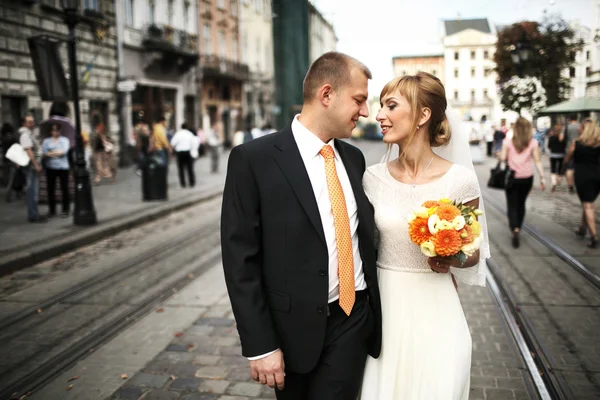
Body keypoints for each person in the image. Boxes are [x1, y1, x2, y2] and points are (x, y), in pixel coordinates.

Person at [221, 51, 382, 399]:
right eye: (359, 99)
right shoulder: (254, 160)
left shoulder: (354, 158)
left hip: (352, 321)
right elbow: (240, 261)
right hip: (290, 332)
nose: (366, 112)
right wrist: (260, 345)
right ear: (327, 95)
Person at [360, 72, 488, 399]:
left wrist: (449, 249)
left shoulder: (460, 181)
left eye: (390, 106)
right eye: (380, 106)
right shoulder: (371, 178)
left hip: (438, 312)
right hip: (385, 314)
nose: (379, 116)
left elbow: (474, 253)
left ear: (423, 115)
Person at [500, 117, 545, 248]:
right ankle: (519, 225)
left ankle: (515, 229)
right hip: (527, 178)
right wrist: (542, 177)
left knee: (512, 204)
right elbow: (537, 161)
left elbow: (503, 159)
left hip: (512, 178)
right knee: (521, 203)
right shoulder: (533, 143)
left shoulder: (507, 142)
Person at [563, 122, 600, 248]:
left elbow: (567, 158)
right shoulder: (598, 144)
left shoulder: (577, 144)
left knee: (588, 205)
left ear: (584, 130)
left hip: (583, 176)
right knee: (588, 202)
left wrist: (564, 166)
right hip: (597, 176)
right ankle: (582, 229)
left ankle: (594, 236)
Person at [19, 114, 46, 222]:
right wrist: (36, 165)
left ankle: (35, 214)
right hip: (30, 167)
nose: (32, 124)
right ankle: (33, 216)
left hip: (32, 166)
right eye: (29, 122)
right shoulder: (25, 135)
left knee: (34, 191)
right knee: (32, 192)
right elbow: (28, 151)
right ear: (24, 123)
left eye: (33, 121)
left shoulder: (30, 134)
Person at [41, 123, 70, 217]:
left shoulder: (65, 140)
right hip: (50, 167)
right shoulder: (46, 141)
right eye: (53, 130)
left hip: (63, 167)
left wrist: (51, 153)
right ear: (51, 131)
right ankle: (52, 210)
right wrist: (55, 153)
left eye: (57, 130)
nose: (55, 132)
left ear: (60, 131)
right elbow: (44, 153)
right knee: (50, 189)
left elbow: (64, 152)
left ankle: (65, 209)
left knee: (64, 188)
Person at [170, 122, 197, 188]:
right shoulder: (189, 134)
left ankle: (183, 183)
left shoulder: (178, 134)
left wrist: (172, 152)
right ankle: (191, 182)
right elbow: (194, 143)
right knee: (190, 169)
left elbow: (172, 143)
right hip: (187, 152)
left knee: (181, 169)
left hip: (180, 153)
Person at [565, 115, 582, 193]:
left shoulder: (567, 127)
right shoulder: (580, 126)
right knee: (579, 167)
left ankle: (570, 185)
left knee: (569, 168)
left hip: (569, 149)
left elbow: (565, 138)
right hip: (580, 148)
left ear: (570, 119)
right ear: (576, 119)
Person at [547, 122, 566, 192]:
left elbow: (549, 146)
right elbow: (565, 145)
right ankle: (559, 179)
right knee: (561, 168)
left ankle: (553, 182)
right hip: (561, 154)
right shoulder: (563, 138)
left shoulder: (551, 137)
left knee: (553, 168)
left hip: (553, 154)